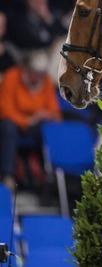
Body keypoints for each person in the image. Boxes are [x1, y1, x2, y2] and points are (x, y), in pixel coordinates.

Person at [0, 50, 62, 189]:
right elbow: (5, 111)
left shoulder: (45, 81)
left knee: (49, 128)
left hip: (35, 127)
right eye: (36, 72)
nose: (39, 76)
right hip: (13, 124)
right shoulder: (11, 76)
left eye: (41, 73)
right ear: (26, 69)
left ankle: (47, 174)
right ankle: (7, 175)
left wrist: (45, 115)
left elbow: (56, 113)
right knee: (8, 126)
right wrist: (28, 120)